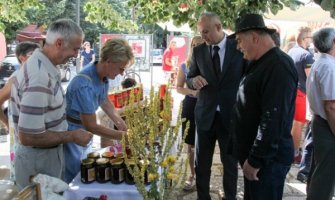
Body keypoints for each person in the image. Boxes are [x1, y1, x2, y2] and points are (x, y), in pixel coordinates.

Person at [10, 18, 93, 190]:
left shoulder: (46, 67)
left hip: (44, 157)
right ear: (59, 43)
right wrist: (72, 136)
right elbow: (28, 136)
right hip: (37, 160)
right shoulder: (39, 77)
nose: (76, 54)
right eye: (75, 49)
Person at [231, 13, 298, 200]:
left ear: (254, 37)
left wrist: (255, 159)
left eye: (239, 41)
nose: (238, 46)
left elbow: (273, 118)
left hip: (268, 161)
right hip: (259, 158)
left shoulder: (278, 66)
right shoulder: (260, 62)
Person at [186, 12, 245, 200]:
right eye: (201, 32)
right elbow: (189, 77)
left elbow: (248, 77)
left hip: (231, 115)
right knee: (202, 163)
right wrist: (193, 80)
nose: (203, 36)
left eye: (206, 32)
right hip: (205, 114)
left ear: (218, 27)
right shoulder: (198, 51)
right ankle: (203, 197)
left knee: (230, 163)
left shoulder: (239, 47)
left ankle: (230, 197)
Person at [64, 38, 134, 183]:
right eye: (120, 68)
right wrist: (122, 135)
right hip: (72, 134)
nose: (121, 74)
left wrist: (118, 120)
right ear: (108, 61)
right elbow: (91, 125)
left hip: (84, 133)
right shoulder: (83, 84)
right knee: (76, 179)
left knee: (86, 174)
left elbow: (103, 99)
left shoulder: (102, 75)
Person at [0, 41, 40, 181]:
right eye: (33, 54)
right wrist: (7, 124)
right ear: (22, 58)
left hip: (38, 140)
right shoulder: (16, 78)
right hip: (21, 140)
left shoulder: (36, 76)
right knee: (25, 182)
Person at [306, 27, 335, 200]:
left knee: (319, 170)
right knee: (326, 175)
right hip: (327, 123)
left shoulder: (322, 62)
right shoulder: (328, 66)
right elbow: (331, 106)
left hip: (321, 122)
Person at [176, 35, 204, 191]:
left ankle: (203, 175)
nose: (196, 47)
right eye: (193, 44)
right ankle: (192, 175)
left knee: (207, 142)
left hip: (208, 107)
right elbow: (178, 87)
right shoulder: (185, 65)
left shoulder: (211, 65)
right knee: (190, 143)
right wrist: (193, 92)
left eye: (199, 44)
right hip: (190, 105)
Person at [287, 26, 314, 163]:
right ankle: (295, 153)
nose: (311, 40)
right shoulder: (306, 55)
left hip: (292, 90)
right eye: (310, 37)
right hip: (302, 93)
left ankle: (293, 150)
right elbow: (311, 78)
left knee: (295, 124)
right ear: (304, 38)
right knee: (299, 125)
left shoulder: (292, 51)